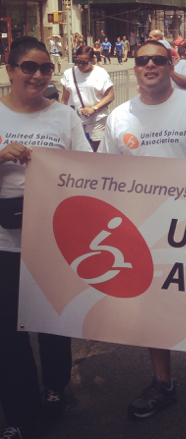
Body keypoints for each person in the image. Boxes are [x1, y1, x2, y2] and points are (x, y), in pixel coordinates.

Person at [99, 39, 186, 419]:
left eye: (158, 59)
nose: (150, 66)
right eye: (143, 61)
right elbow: (104, 174)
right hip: (142, 232)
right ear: (134, 67)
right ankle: (163, 382)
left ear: (170, 64)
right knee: (152, 309)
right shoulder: (119, 118)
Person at [0, 37, 92, 439]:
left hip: (54, 239)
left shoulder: (64, 117)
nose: (38, 75)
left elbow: (87, 170)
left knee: (53, 321)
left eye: (45, 69)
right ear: (9, 69)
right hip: (4, 243)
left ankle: (55, 387)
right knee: (8, 333)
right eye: (28, 67)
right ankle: (20, 412)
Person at [61, 45, 115, 151]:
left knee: (96, 148)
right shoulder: (68, 74)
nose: (80, 65)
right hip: (75, 118)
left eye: (85, 62)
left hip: (96, 118)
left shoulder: (100, 73)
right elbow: (65, 99)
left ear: (92, 60)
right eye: (78, 61)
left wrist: (94, 108)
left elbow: (110, 95)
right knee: (77, 149)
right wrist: (62, 117)